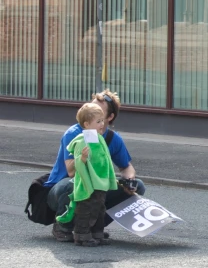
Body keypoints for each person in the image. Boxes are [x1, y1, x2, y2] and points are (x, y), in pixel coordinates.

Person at [45, 89, 146, 242]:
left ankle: (93, 226)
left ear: (109, 117)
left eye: (98, 112)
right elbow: (71, 171)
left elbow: (127, 167)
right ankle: (62, 225)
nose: (91, 113)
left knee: (138, 186)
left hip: (93, 188)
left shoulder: (112, 138)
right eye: (90, 108)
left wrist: (129, 180)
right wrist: (83, 156)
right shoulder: (75, 134)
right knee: (73, 184)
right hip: (63, 188)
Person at [55, 103, 118, 246]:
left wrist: (109, 178)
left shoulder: (99, 138)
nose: (102, 124)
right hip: (86, 183)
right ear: (86, 124)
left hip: (99, 182)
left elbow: (105, 160)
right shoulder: (81, 140)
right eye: (98, 121)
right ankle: (82, 235)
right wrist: (82, 158)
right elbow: (76, 164)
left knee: (99, 208)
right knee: (85, 209)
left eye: (102, 120)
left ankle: (97, 233)